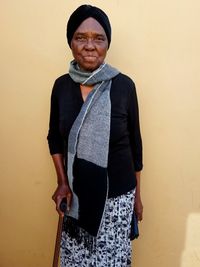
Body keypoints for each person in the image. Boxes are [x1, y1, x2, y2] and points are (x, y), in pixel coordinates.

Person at [47, 4, 143, 267]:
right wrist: (62, 182)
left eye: (98, 38)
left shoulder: (124, 86)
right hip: (77, 197)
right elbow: (54, 138)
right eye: (81, 37)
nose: (90, 45)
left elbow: (136, 146)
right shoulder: (61, 87)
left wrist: (137, 197)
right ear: (71, 43)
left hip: (118, 200)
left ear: (107, 44)